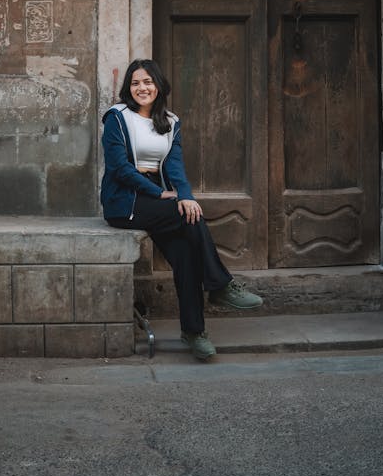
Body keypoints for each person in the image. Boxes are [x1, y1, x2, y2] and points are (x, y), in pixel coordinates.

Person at [100, 59, 263, 360]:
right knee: (184, 214)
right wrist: (162, 194)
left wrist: (186, 197)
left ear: (158, 85)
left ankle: (194, 331)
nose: (142, 88)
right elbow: (119, 168)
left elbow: (175, 168)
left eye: (147, 81)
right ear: (128, 88)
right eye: (135, 82)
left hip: (160, 198)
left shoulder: (171, 122)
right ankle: (220, 285)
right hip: (126, 200)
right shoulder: (116, 118)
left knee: (187, 249)